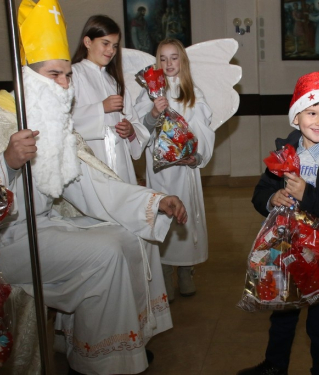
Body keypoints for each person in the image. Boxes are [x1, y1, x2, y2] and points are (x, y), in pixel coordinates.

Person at [0, 0, 187, 374]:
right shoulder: (4, 119)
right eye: (55, 76)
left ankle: (92, 349)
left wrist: (154, 201)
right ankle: (100, 362)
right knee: (106, 253)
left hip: (46, 224)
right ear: (28, 79)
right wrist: (7, 163)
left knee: (127, 237)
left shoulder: (54, 126)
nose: (65, 86)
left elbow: (94, 184)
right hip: (10, 236)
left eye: (68, 76)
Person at [238, 71, 319, 375]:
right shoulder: (286, 152)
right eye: (312, 112)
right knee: (282, 314)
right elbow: (260, 193)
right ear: (296, 118)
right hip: (287, 250)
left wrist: (307, 194)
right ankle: (274, 366)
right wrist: (274, 198)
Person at [137, 38, 215, 301]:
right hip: (158, 172)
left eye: (174, 58)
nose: (168, 64)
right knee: (161, 216)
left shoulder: (192, 92)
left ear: (182, 61)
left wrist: (196, 156)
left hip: (184, 170)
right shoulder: (147, 91)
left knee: (185, 214)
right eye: (162, 58)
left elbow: (203, 129)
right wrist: (152, 114)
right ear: (156, 62)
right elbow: (139, 130)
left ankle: (185, 270)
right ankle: (165, 271)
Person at [71, 15, 150, 184]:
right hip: (91, 161)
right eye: (105, 43)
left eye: (114, 46)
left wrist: (130, 131)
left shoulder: (115, 82)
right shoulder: (73, 75)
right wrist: (101, 108)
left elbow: (133, 121)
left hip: (120, 161)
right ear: (87, 42)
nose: (111, 51)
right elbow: (65, 120)